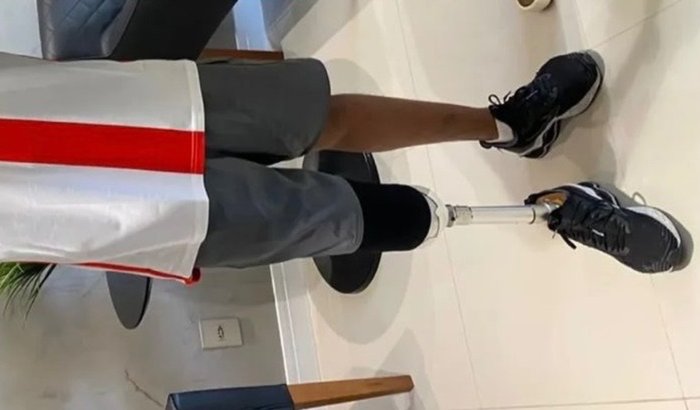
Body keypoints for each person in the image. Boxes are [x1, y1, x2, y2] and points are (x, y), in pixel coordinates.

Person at [0, 51, 682, 286]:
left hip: (83, 106)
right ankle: (556, 210)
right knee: (347, 219)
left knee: (318, 116)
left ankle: (511, 124)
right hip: (78, 212)